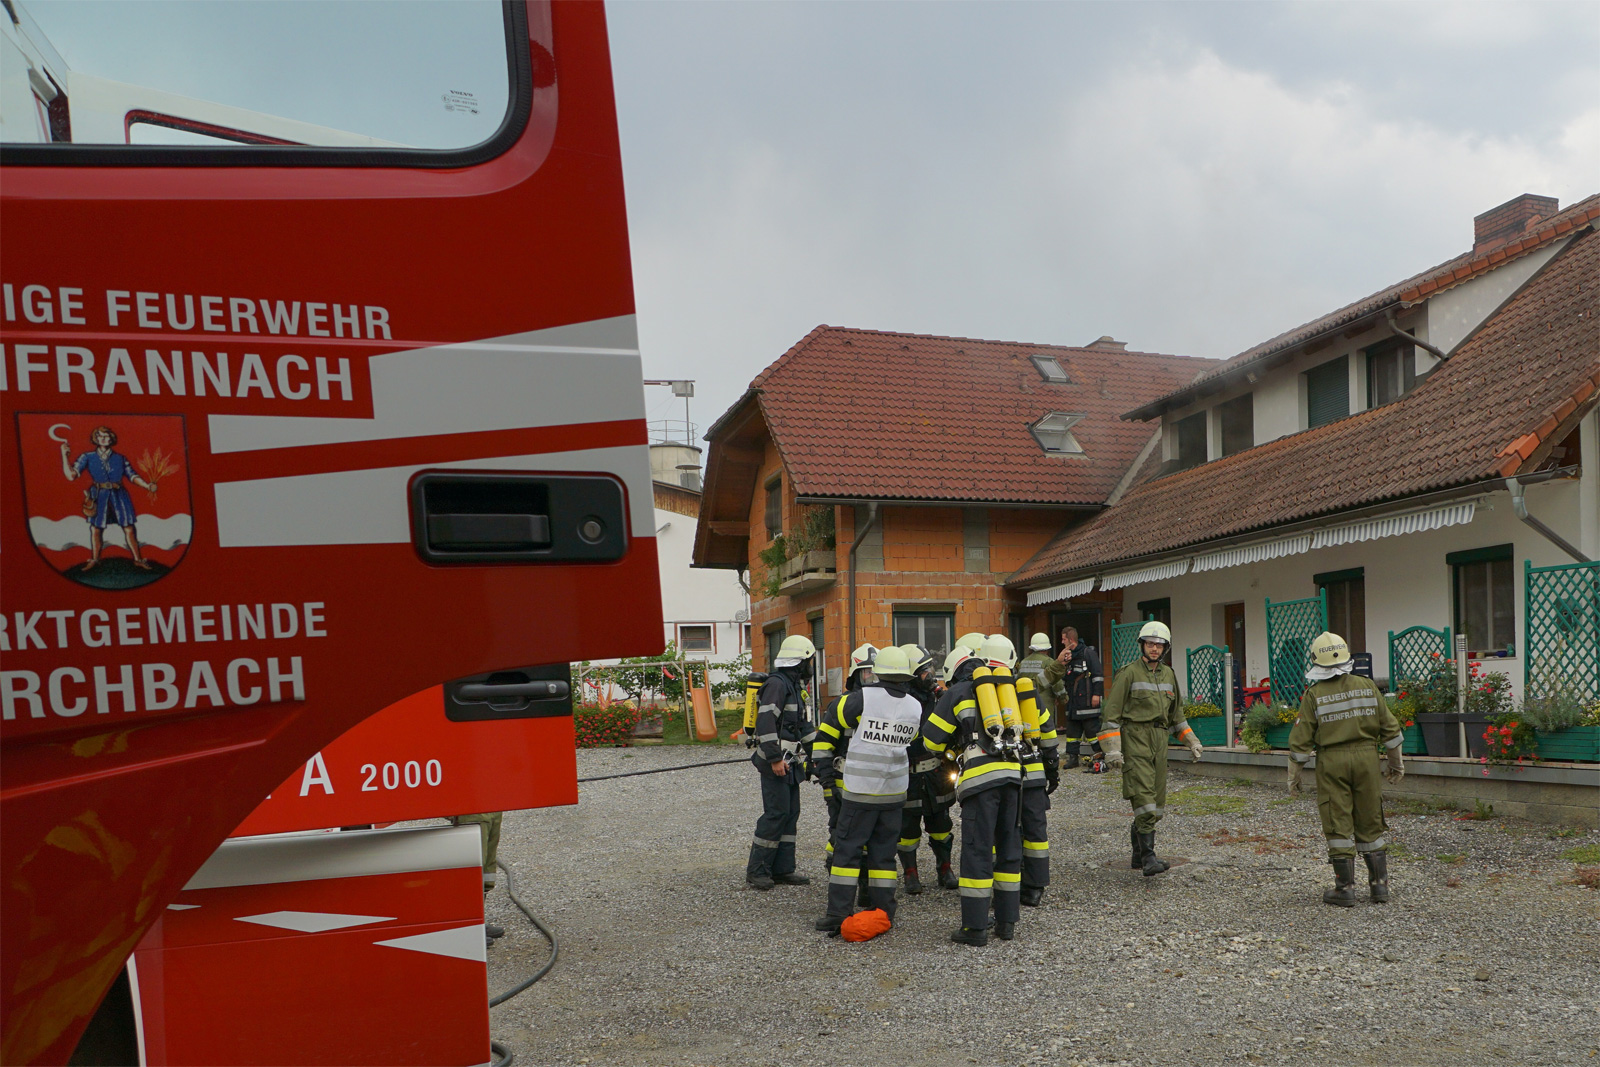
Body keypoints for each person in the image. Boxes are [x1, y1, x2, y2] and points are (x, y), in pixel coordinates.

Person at [812, 646, 923, 935]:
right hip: (894, 792)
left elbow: (834, 721)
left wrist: (827, 777)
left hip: (861, 790)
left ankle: (838, 913)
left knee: (847, 853)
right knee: (883, 856)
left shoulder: (860, 699)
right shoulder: (915, 706)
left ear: (877, 672)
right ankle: (884, 911)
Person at [1289, 631, 1405, 906]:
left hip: (1332, 761)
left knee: (1337, 819)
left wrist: (1294, 777)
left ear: (1317, 661)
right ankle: (1379, 887)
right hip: (1367, 758)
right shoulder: (1367, 686)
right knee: (1370, 817)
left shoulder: (1314, 694)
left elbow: (1301, 741)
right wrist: (1396, 763)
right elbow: (1390, 729)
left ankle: (1345, 889)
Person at [921, 644, 1023, 946]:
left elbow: (930, 740)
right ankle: (1006, 924)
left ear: (954, 672)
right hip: (1013, 775)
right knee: (1008, 847)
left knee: (978, 851)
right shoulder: (1003, 689)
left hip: (981, 782)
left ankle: (975, 928)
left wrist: (955, 745)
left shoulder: (957, 692)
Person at [1098, 621, 1203, 877]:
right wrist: (1113, 750)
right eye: (1150, 644)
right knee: (1143, 797)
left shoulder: (1169, 675)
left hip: (1160, 740)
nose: (1154, 648)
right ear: (1142, 645)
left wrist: (1192, 741)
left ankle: (1138, 856)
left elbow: (1176, 715)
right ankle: (1148, 858)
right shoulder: (1129, 673)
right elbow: (1111, 715)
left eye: (1159, 645)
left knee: (1157, 802)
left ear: (1165, 648)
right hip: (1136, 739)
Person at [745, 634, 817, 890]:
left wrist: (817, 756)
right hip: (776, 762)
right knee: (776, 814)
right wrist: (775, 759)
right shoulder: (777, 684)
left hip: (790, 762)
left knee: (790, 813)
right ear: (800, 661)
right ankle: (757, 871)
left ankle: (783, 869)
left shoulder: (794, 686)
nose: (811, 665)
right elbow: (765, 722)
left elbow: (804, 726)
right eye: (810, 660)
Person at [999, 634, 1060, 907]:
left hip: (1000, 776)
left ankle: (1005, 888)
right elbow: (1048, 734)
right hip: (1033, 773)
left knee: (1003, 830)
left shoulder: (978, 694)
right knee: (1035, 832)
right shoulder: (1025, 691)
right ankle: (1034, 887)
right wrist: (1052, 771)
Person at [813, 642, 877, 896]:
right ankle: (839, 886)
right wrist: (828, 783)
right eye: (867, 672)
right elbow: (822, 745)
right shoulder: (841, 705)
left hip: (875, 784)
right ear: (856, 675)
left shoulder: (886, 706)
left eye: (876, 673)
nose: (872, 678)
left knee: (872, 837)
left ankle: (866, 888)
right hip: (843, 781)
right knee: (841, 835)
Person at [894, 643, 958, 893]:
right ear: (911, 675)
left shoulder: (938, 698)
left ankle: (945, 868)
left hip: (936, 772)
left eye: (930, 668)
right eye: (923, 671)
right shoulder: (899, 702)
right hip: (908, 774)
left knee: (941, 824)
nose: (930, 675)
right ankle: (910, 873)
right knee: (907, 829)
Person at [61, 425, 156, 571]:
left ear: (111, 439)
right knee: (95, 529)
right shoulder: (87, 457)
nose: (103, 439)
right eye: (100, 436)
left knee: (129, 527)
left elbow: (132, 475)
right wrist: (64, 455)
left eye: (106, 436)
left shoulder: (120, 458)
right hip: (98, 496)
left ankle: (138, 560)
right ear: (96, 438)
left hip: (119, 495)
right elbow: (71, 476)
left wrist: (147, 485)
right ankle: (95, 560)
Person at [451, 812, 506, 944]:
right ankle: (466, 927)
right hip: (471, 813)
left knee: (487, 870)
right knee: (472, 870)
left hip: (491, 809)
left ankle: (477, 922)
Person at [1056, 627, 1105, 771]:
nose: (1062, 642)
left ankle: (1099, 757)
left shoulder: (1088, 653)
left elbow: (1098, 675)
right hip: (1073, 702)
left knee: (1092, 730)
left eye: (1064, 639)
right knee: (1072, 732)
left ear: (1071, 640)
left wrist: (1097, 694)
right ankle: (1073, 758)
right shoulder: (1068, 656)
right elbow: (1064, 678)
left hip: (1087, 701)